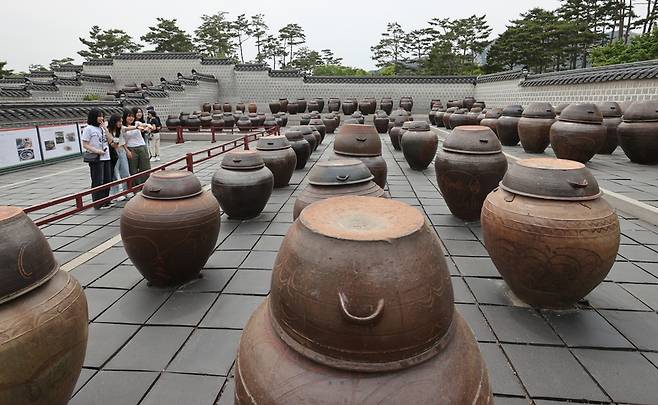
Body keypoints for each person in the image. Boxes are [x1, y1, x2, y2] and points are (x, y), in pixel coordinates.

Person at [81, 108, 113, 209]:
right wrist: (96, 151)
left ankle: (106, 200)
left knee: (108, 180)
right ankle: (98, 203)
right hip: (96, 158)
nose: (101, 118)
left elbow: (110, 140)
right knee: (98, 181)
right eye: (99, 116)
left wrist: (105, 128)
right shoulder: (88, 128)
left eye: (102, 116)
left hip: (106, 157)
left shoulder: (102, 128)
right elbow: (85, 144)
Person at [122, 109, 151, 185]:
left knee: (145, 167)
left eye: (132, 116)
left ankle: (146, 185)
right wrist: (127, 151)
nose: (131, 118)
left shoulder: (137, 123)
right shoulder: (122, 127)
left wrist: (148, 126)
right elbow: (123, 140)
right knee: (133, 169)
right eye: (129, 116)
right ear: (125, 117)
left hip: (142, 147)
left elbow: (146, 125)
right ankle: (136, 188)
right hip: (131, 148)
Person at [107, 114, 131, 201]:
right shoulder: (108, 130)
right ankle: (115, 193)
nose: (121, 123)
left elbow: (127, 129)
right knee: (115, 173)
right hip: (113, 153)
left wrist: (137, 127)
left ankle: (126, 190)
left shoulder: (119, 129)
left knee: (125, 171)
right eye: (119, 121)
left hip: (121, 151)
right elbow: (112, 144)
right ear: (114, 121)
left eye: (121, 121)